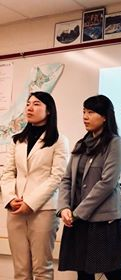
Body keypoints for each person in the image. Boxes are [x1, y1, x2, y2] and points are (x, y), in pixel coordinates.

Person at [57, 95, 121, 280]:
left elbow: (107, 183)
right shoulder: (81, 144)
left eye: (90, 112)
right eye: (83, 112)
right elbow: (66, 178)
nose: (85, 117)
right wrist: (64, 207)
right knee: (83, 273)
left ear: (105, 116)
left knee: (114, 273)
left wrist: (78, 212)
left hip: (105, 222)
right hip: (78, 220)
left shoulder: (115, 144)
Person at [1, 91, 69, 280]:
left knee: (42, 270)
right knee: (20, 271)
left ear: (49, 111)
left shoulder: (59, 140)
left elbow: (57, 177)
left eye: (37, 104)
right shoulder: (17, 140)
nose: (30, 107)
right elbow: (7, 173)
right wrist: (10, 198)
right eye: (28, 104)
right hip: (15, 209)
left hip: (43, 210)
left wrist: (30, 202)